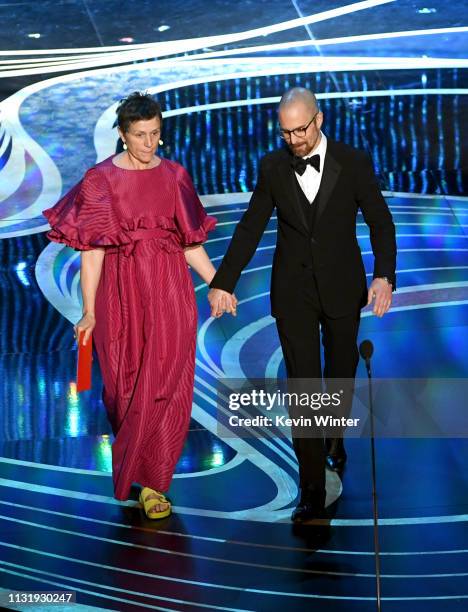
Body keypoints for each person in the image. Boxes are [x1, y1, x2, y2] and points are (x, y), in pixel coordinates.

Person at [43, 92, 235, 519]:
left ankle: (154, 482)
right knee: (123, 388)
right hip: (119, 294)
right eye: (140, 136)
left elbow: (190, 243)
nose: (149, 144)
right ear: (123, 135)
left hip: (169, 290)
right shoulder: (100, 181)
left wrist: (219, 284)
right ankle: (134, 460)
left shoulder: (175, 176)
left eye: (155, 135)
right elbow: (92, 251)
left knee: (167, 386)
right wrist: (89, 310)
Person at [208, 87, 396, 523]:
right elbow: (251, 226)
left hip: (343, 288)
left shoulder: (353, 162)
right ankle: (312, 487)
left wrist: (383, 275)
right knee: (305, 386)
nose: (294, 140)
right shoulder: (274, 167)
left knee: (341, 374)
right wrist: (223, 282)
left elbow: (380, 221)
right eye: (285, 132)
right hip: (292, 292)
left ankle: (334, 437)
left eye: (300, 130)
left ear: (320, 120)